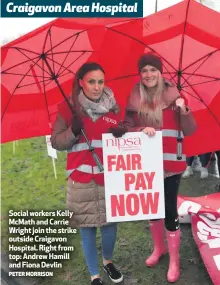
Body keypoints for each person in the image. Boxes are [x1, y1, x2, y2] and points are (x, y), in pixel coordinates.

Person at [121, 53, 196, 283]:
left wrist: (184, 110)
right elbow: (126, 127)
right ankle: (159, 249)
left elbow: (190, 130)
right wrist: (139, 131)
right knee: (152, 208)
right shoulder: (135, 97)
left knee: (170, 210)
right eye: (144, 70)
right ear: (140, 74)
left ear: (160, 72)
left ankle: (174, 259)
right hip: (146, 164)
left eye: (153, 70)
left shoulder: (175, 96)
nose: (149, 74)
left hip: (172, 163)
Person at [51, 63, 124, 285]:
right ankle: (95, 275)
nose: (96, 87)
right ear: (81, 82)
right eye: (91, 81)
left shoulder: (114, 109)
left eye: (100, 81)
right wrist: (73, 130)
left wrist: (123, 133)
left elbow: (123, 141)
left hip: (108, 176)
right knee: (87, 227)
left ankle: (108, 262)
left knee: (110, 223)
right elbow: (56, 142)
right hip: (80, 179)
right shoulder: (68, 109)